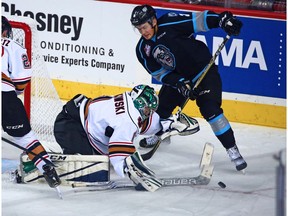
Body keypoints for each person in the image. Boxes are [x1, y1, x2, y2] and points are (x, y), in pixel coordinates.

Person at [130, 5, 247, 171]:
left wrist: (222, 20)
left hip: (203, 72)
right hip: (180, 78)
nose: (143, 32)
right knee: (159, 111)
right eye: (139, 29)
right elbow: (160, 73)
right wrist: (180, 82)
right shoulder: (142, 49)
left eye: (144, 27)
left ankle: (232, 149)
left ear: (153, 21)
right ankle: (159, 135)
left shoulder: (169, 23)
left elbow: (198, 21)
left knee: (210, 109)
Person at [53, 84, 168, 191]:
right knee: (90, 170)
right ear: (140, 103)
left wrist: (168, 124)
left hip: (75, 117)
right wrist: (131, 170)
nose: (148, 114)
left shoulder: (128, 100)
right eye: (148, 110)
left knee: (98, 162)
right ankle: (51, 165)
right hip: (70, 127)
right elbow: (118, 150)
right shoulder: (128, 119)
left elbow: (145, 123)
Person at [1, 16, 61, 188]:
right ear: (5, 31)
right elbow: (21, 82)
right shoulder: (13, 46)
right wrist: (13, 95)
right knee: (27, 139)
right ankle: (45, 165)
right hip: (5, 96)